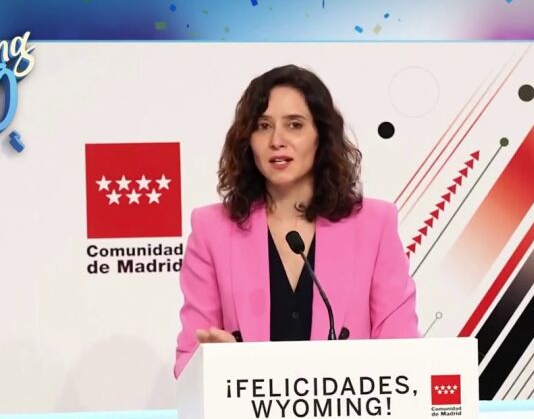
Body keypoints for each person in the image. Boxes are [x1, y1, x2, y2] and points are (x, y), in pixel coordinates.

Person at [174, 65, 419, 378]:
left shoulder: (375, 225)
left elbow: (404, 353)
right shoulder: (212, 229)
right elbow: (187, 363)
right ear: (248, 140)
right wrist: (215, 363)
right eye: (263, 126)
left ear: (321, 136)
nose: (277, 140)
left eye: (294, 125)